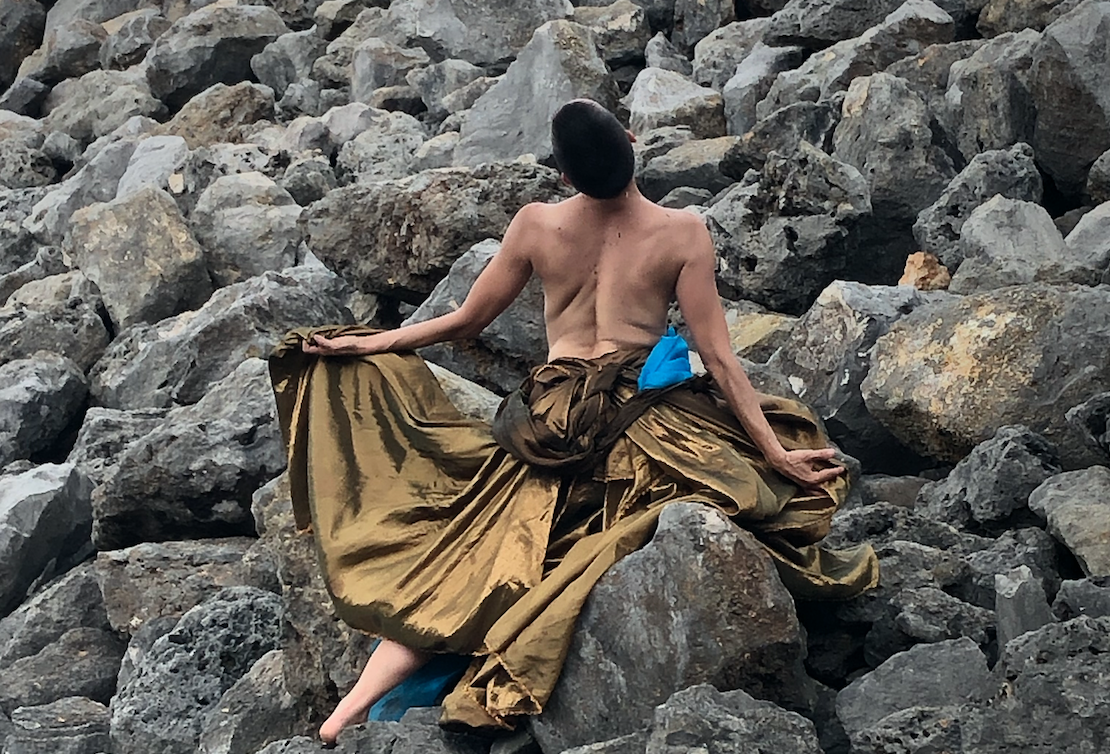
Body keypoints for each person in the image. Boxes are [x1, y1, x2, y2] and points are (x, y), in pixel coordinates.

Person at [269, 99, 878, 745]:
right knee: (768, 459)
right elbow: (722, 361)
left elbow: (467, 321)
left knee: (472, 553)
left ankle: (347, 712)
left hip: (550, 419)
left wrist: (372, 343)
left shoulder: (536, 224)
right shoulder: (682, 232)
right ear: (632, 144)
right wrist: (776, 454)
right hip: (639, 418)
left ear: (563, 175)